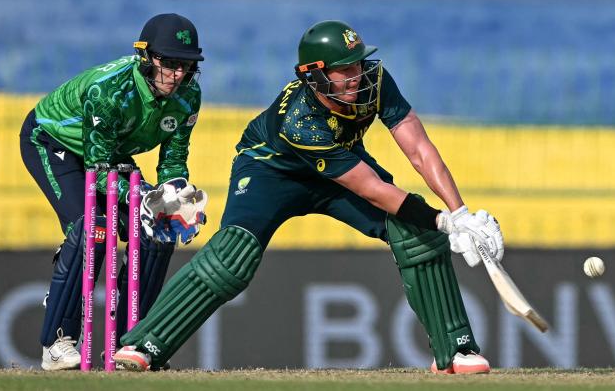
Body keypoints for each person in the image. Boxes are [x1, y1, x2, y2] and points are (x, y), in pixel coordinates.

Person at [114, 20, 504, 374]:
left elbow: (418, 147)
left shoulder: (376, 80)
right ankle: (144, 346)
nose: (358, 76)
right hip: (271, 171)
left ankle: (456, 352)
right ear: (314, 76)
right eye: (345, 69)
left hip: (338, 163)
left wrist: (460, 211)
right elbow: (369, 187)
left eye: (359, 64)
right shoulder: (300, 120)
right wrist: (442, 221)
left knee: (412, 232)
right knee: (233, 258)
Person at [19, 13, 207, 370]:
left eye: (186, 65)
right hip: (53, 142)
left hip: (110, 152)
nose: (178, 74)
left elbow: (173, 162)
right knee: (93, 228)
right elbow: (97, 171)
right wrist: (147, 198)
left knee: (159, 230)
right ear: (146, 57)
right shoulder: (109, 90)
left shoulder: (188, 96)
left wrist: (175, 197)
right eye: (169, 63)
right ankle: (56, 342)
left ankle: (132, 345)